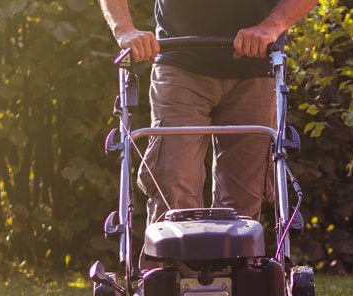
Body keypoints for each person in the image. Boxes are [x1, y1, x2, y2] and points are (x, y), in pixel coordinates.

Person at [99, 0, 318, 228]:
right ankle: (172, 262)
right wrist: (124, 30)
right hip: (180, 65)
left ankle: (235, 261)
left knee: (243, 203)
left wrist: (272, 26)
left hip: (257, 69)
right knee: (174, 184)